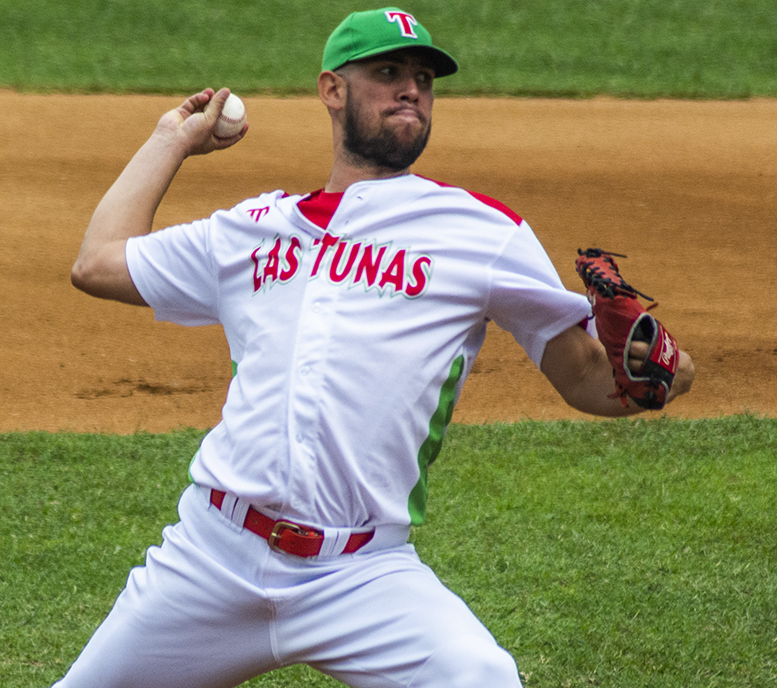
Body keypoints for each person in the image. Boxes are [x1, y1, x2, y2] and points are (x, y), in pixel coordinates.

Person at [59, 7, 695, 688]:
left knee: (482, 676)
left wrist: (655, 372)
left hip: (362, 574)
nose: (411, 90)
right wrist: (170, 140)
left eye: (423, 78)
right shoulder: (253, 229)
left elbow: (588, 381)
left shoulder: (481, 232)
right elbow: (97, 262)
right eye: (388, 73)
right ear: (333, 90)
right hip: (214, 556)